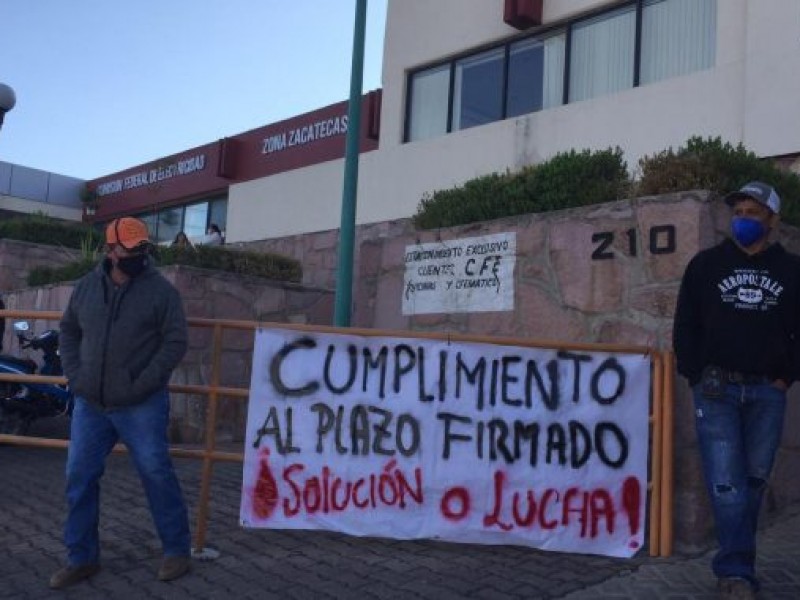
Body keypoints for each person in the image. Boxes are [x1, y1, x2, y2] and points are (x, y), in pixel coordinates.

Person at [673, 181, 800, 599]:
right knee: (727, 484)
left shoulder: (793, 270)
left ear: (772, 221)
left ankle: (736, 562)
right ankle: (736, 572)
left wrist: (787, 376)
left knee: (754, 481)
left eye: (753, 212)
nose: (743, 219)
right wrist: (693, 371)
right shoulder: (706, 266)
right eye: (739, 211)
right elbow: (686, 323)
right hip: (716, 391)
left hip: (768, 391)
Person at [51, 217, 192, 589]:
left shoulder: (162, 292)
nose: (139, 254)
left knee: (156, 474)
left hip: (141, 404)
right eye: (130, 248)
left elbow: (175, 342)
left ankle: (177, 550)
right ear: (109, 250)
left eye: (142, 246)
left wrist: (142, 384)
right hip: (90, 404)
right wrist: (77, 377)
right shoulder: (85, 288)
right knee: (78, 478)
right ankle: (81, 559)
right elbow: (68, 331)